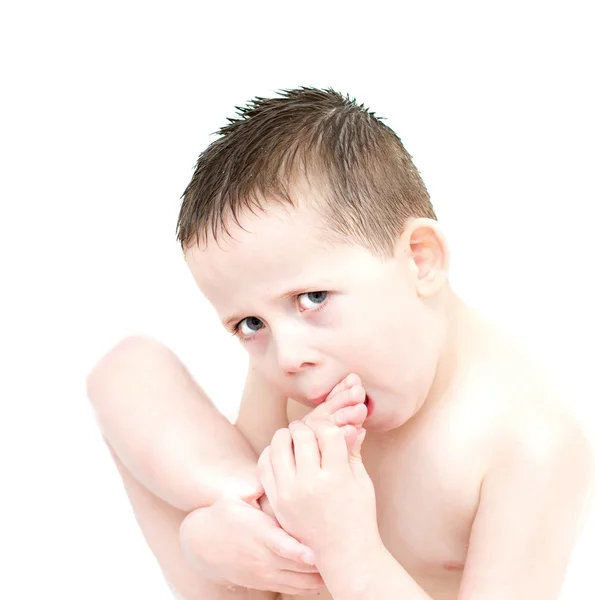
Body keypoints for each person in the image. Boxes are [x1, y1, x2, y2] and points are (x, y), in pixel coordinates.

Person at [87, 87, 594, 600]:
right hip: (271, 584)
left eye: (312, 297)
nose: (286, 357)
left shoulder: (531, 442)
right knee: (126, 370)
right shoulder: (300, 356)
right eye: (249, 325)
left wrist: (345, 542)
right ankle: (247, 501)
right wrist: (210, 538)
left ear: (420, 260)